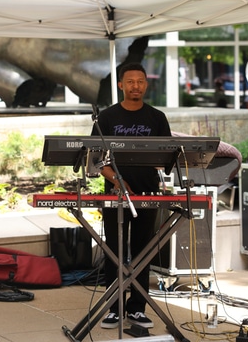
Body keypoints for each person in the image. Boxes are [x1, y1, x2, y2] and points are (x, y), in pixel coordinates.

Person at [91, 62, 172, 330]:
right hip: (116, 194)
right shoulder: (106, 118)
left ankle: (137, 309)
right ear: (121, 85)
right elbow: (96, 160)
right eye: (130, 81)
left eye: (140, 81)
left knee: (142, 252)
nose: (135, 86)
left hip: (147, 194)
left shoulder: (157, 117)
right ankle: (114, 309)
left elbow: (167, 155)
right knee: (114, 251)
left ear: (146, 84)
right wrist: (117, 180)